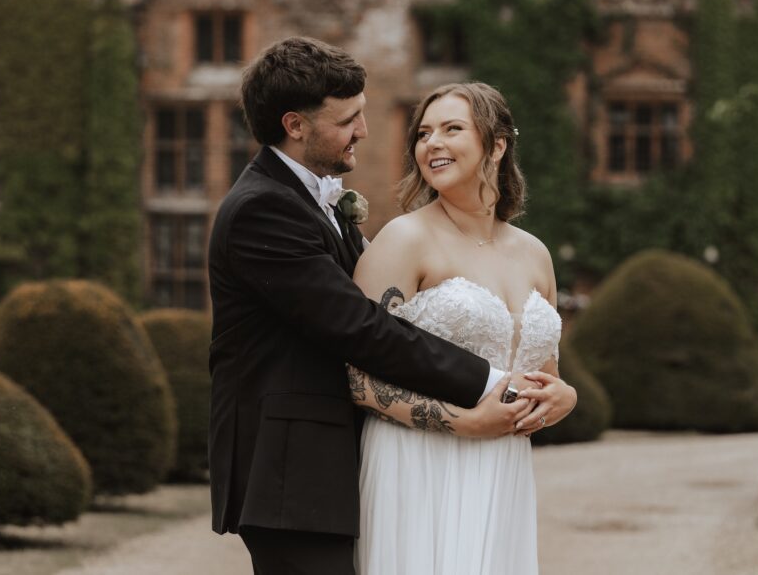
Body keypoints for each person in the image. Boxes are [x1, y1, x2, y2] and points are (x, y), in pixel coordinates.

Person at [206, 38, 561, 575]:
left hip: (356, 463)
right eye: (348, 119)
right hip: (290, 469)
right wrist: (491, 387)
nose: (365, 132)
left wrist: (562, 393)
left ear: (499, 145)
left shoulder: (320, 203)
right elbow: (362, 330)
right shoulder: (263, 209)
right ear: (296, 125)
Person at [348, 82, 575, 575]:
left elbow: (544, 374)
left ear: (497, 145)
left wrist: (565, 398)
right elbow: (354, 376)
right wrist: (462, 422)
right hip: (418, 461)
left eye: (452, 129)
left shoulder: (534, 252)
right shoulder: (404, 239)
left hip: (503, 467)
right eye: (424, 133)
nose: (432, 144)